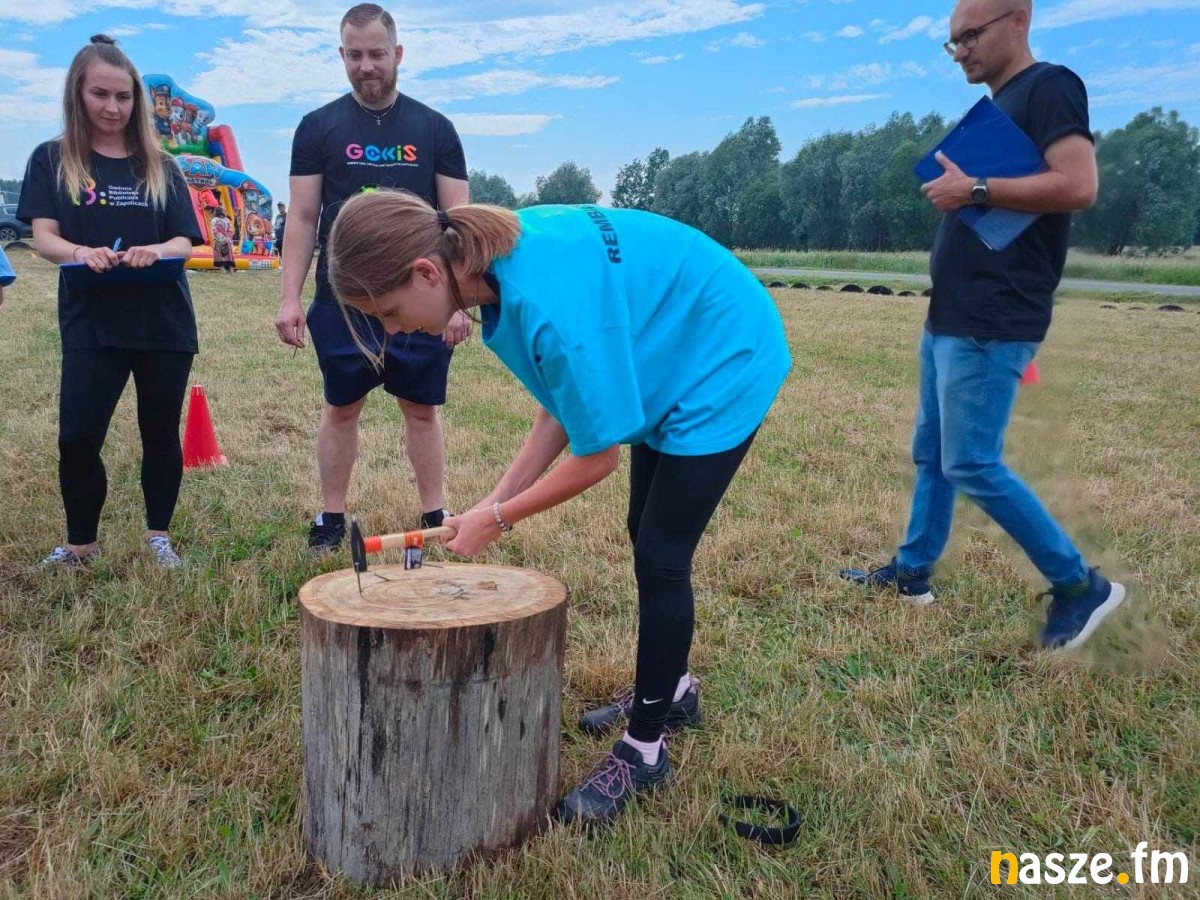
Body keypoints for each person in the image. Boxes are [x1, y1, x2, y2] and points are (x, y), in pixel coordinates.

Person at [325, 190, 791, 826]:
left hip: (723, 353)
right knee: (645, 529)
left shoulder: (547, 306)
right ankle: (674, 691)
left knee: (662, 552)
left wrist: (500, 519)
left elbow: (596, 457)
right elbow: (565, 406)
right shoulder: (493, 264)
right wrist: (491, 502)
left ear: (427, 273)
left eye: (388, 312)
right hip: (673, 336)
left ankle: (645, 750)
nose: (393, 330)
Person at [840, 0, 1124, 651]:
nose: (961, 50)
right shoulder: (1001, 104)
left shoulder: (1051, 86)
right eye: (953, 42)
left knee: (970, 460)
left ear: (1017, 20)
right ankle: (913, 571)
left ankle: (1080, 586)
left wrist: (973, 190)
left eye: (970, 35)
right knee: (934, 453)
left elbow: (1078, 185)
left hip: (996, 316)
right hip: (952, 314)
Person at [273, 3, 471, 555]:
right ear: (342, 55)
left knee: (421, 408)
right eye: (355, 55)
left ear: (398, 54)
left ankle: (434, 512)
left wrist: (457, 302)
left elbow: (459, 221)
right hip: (343, 299)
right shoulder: (317, 127)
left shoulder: (435, 129)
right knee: (341, 408)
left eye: (377, 54)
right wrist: (290, 298)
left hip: (421, 297)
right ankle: (331, 517)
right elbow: (303, 217)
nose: (366, 66)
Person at [17, 35, 202, 569]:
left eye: (123, 97)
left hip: (162, 321)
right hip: (91, 321)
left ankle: (159, 536)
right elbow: (44, 237)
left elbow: (184, 242)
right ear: (78, 93)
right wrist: (80, 252)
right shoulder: (52, 159)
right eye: (100, 94)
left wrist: (154, 251)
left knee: (160, 433)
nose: (113, 107)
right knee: (77, 437)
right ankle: (81, 544)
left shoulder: (162, 165)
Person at [210, 205, 235, 273]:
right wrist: (221, 238)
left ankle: (231, 268)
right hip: (218, 239)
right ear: (220, 211)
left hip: (227, 239)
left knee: (229, 253)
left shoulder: (227, 220)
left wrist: (228, 238)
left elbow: (230, 229)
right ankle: (222, 268)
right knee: (219, 253)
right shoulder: (214, 220)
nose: (225, 211)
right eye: (224, 210)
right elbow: (214, 230)